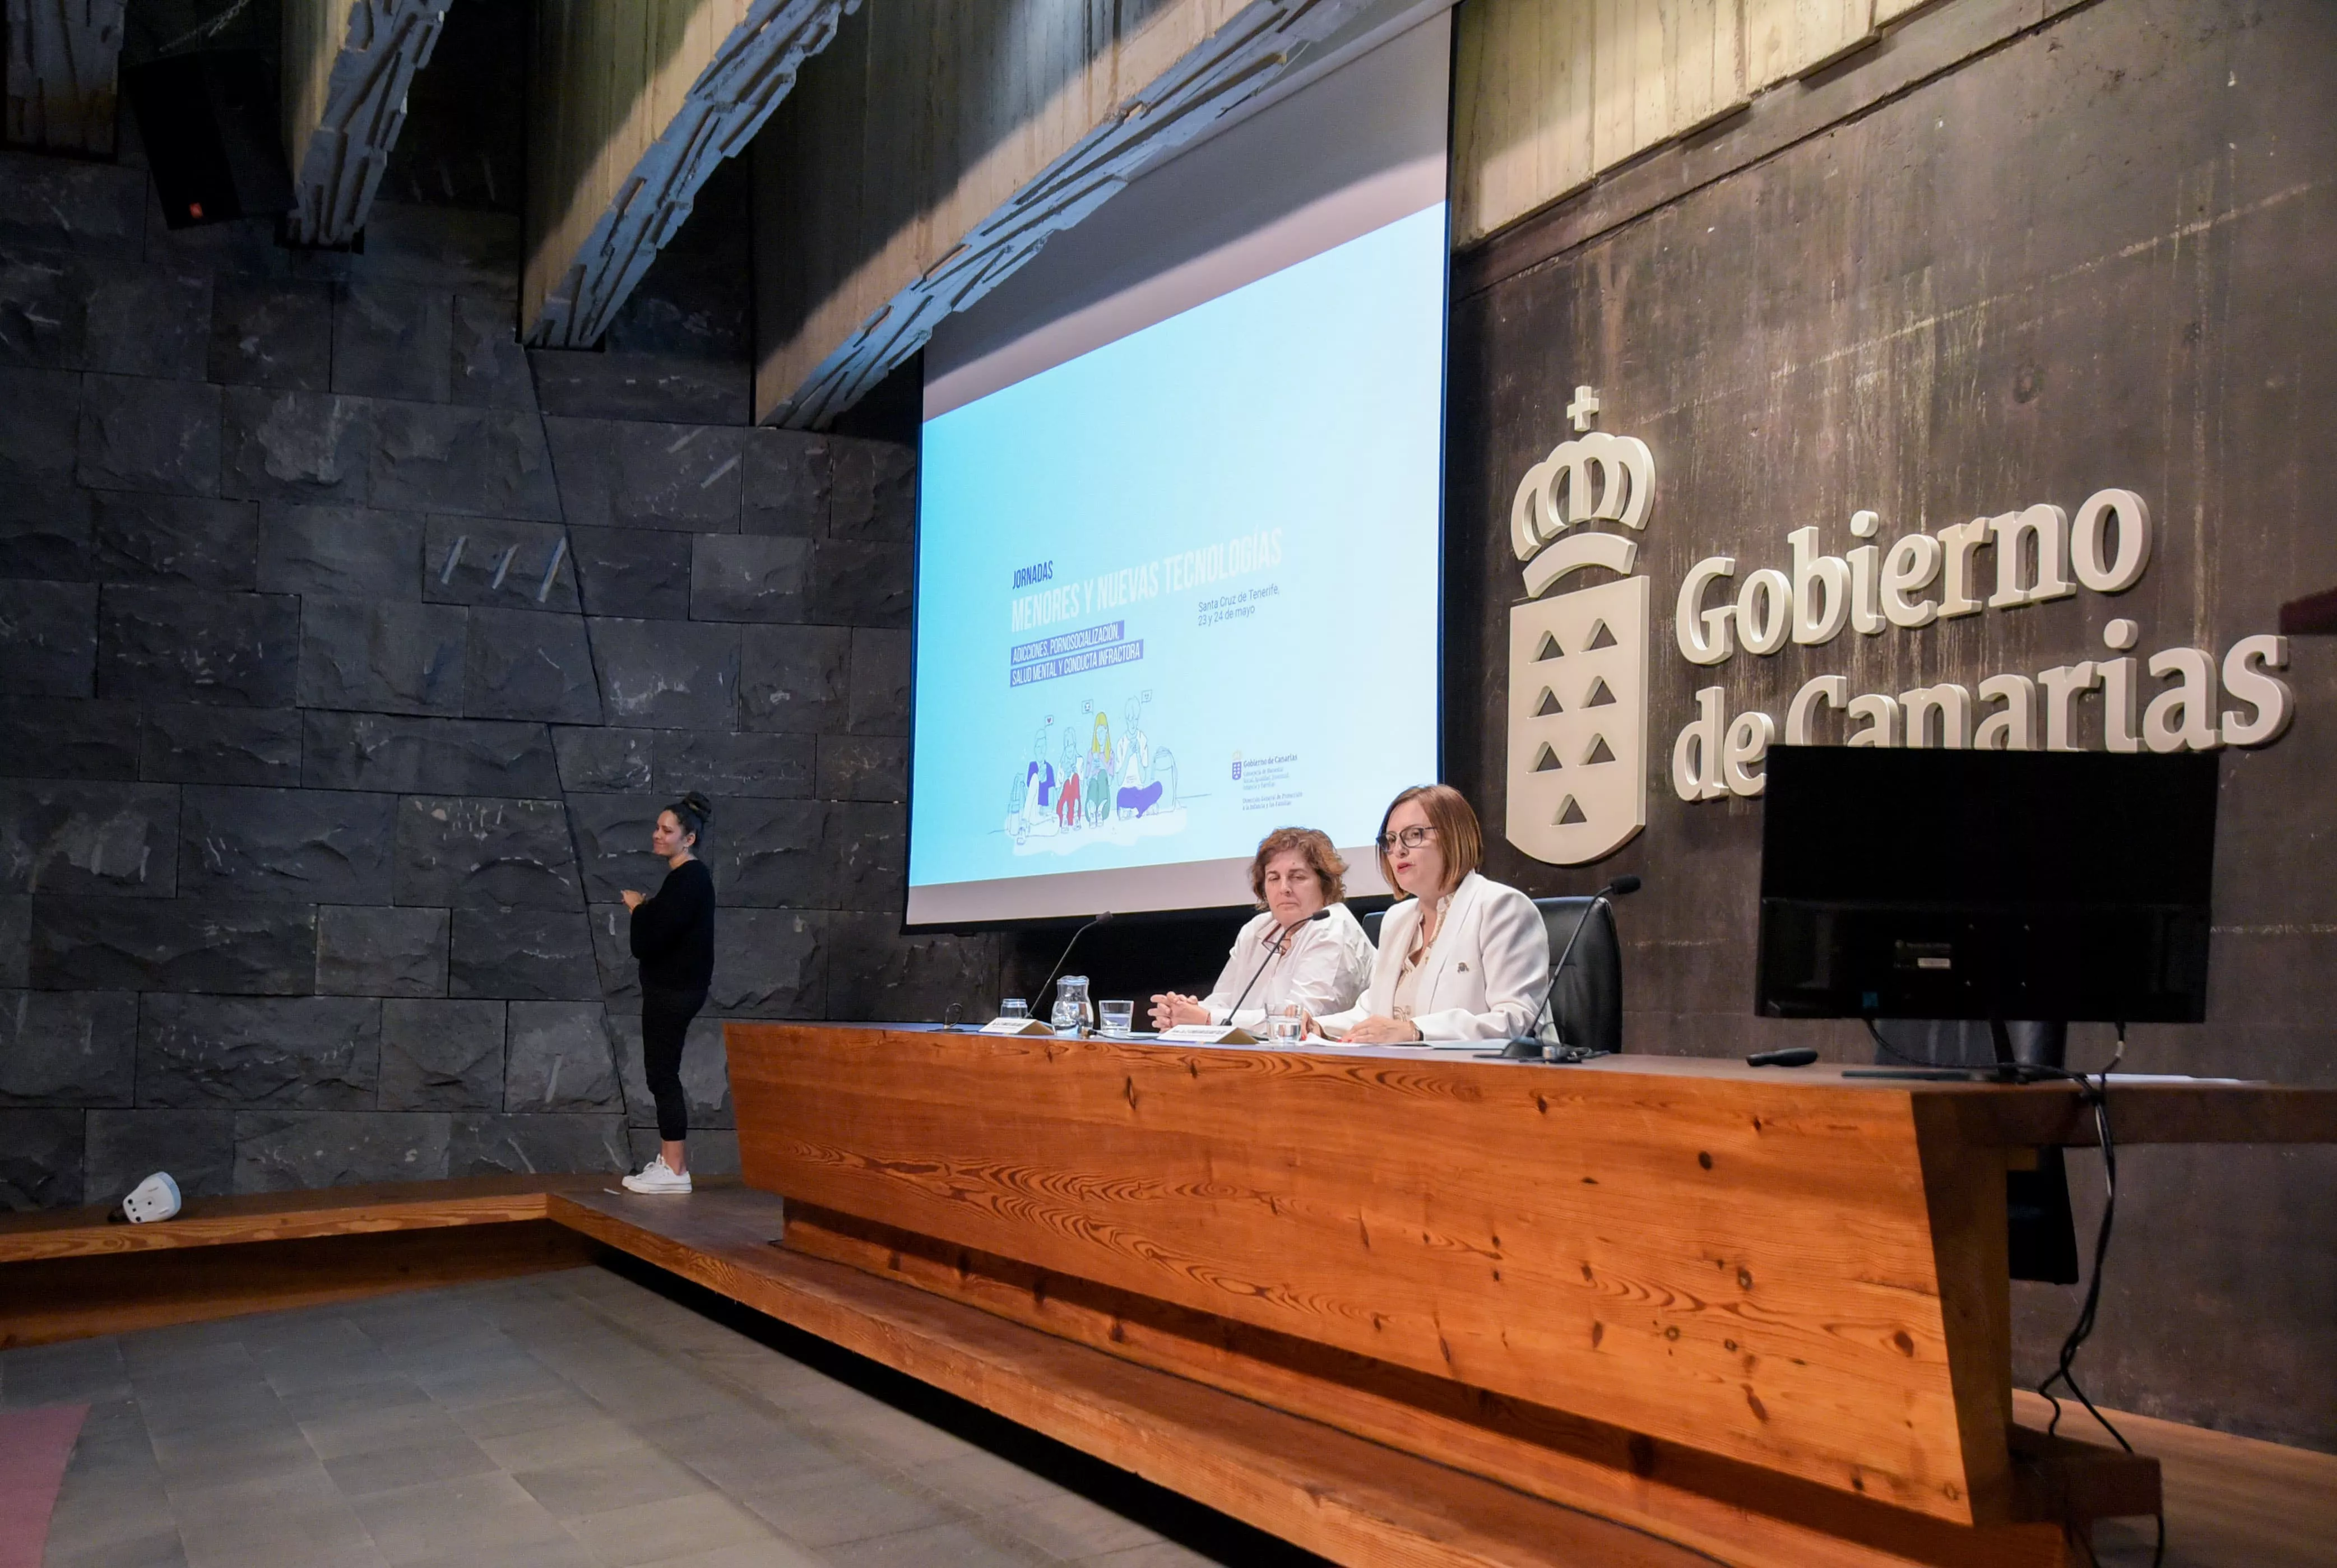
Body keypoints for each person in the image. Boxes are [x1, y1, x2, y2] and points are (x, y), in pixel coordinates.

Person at [1309, 785, 1554, 1045]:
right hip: (1406, 1075)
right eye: (1391, 841)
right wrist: (1319, 1025)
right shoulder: (1397, 919)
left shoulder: (1501, 907)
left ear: (1454, 836)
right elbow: (1374, 1013)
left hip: (1488, 1077)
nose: (1399, 850)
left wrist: (1416, 1031)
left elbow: (1518, 1020)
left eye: (1413, 835)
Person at [1149, 827, 1374, 1033]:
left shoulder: (1333, 926)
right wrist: (1182, 1012)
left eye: (1297, 877)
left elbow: (1296, 1022)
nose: (1284, 888)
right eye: (1274, 878)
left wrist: (1206, 1019)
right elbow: (1223, 1000)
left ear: (1324, 884)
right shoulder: (1257, 929)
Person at [619, 793, 716, 1194]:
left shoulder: (689, 879)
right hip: (675, 989)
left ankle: (675, 1169)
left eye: (667, 830)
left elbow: (651, 939)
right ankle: (671, 1163)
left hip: (673, 991)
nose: (657, 835)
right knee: (662, 1072)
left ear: (688, 839)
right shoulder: (684, 879)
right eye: (658, 828)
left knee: (662, 1074)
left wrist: (638, 910)